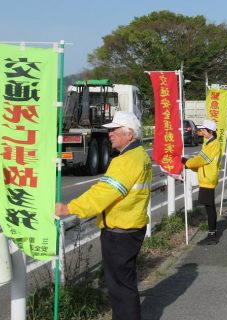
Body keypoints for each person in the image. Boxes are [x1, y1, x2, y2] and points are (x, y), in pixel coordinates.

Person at [55, 111, 151, 320]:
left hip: (120, 232)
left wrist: (70, 208)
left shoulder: (125, 161)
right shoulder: (140, 155)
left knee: (120, 289)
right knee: (125, 283)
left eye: (115, 130)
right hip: (132, 227)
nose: (110, 134)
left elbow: (103, 193)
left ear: (130, 134)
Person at [182, 119, 221, 245]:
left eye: (203, 130)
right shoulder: (209, 142)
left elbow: (201, 160)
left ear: (210, 131)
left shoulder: (213, 144)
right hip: (207, 178)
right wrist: (190, 164)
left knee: (209, 208)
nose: (201, 132)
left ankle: (212, 235)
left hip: (208, 179)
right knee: (209, 207)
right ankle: (212, 233)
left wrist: (186, 162)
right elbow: (201, 160)